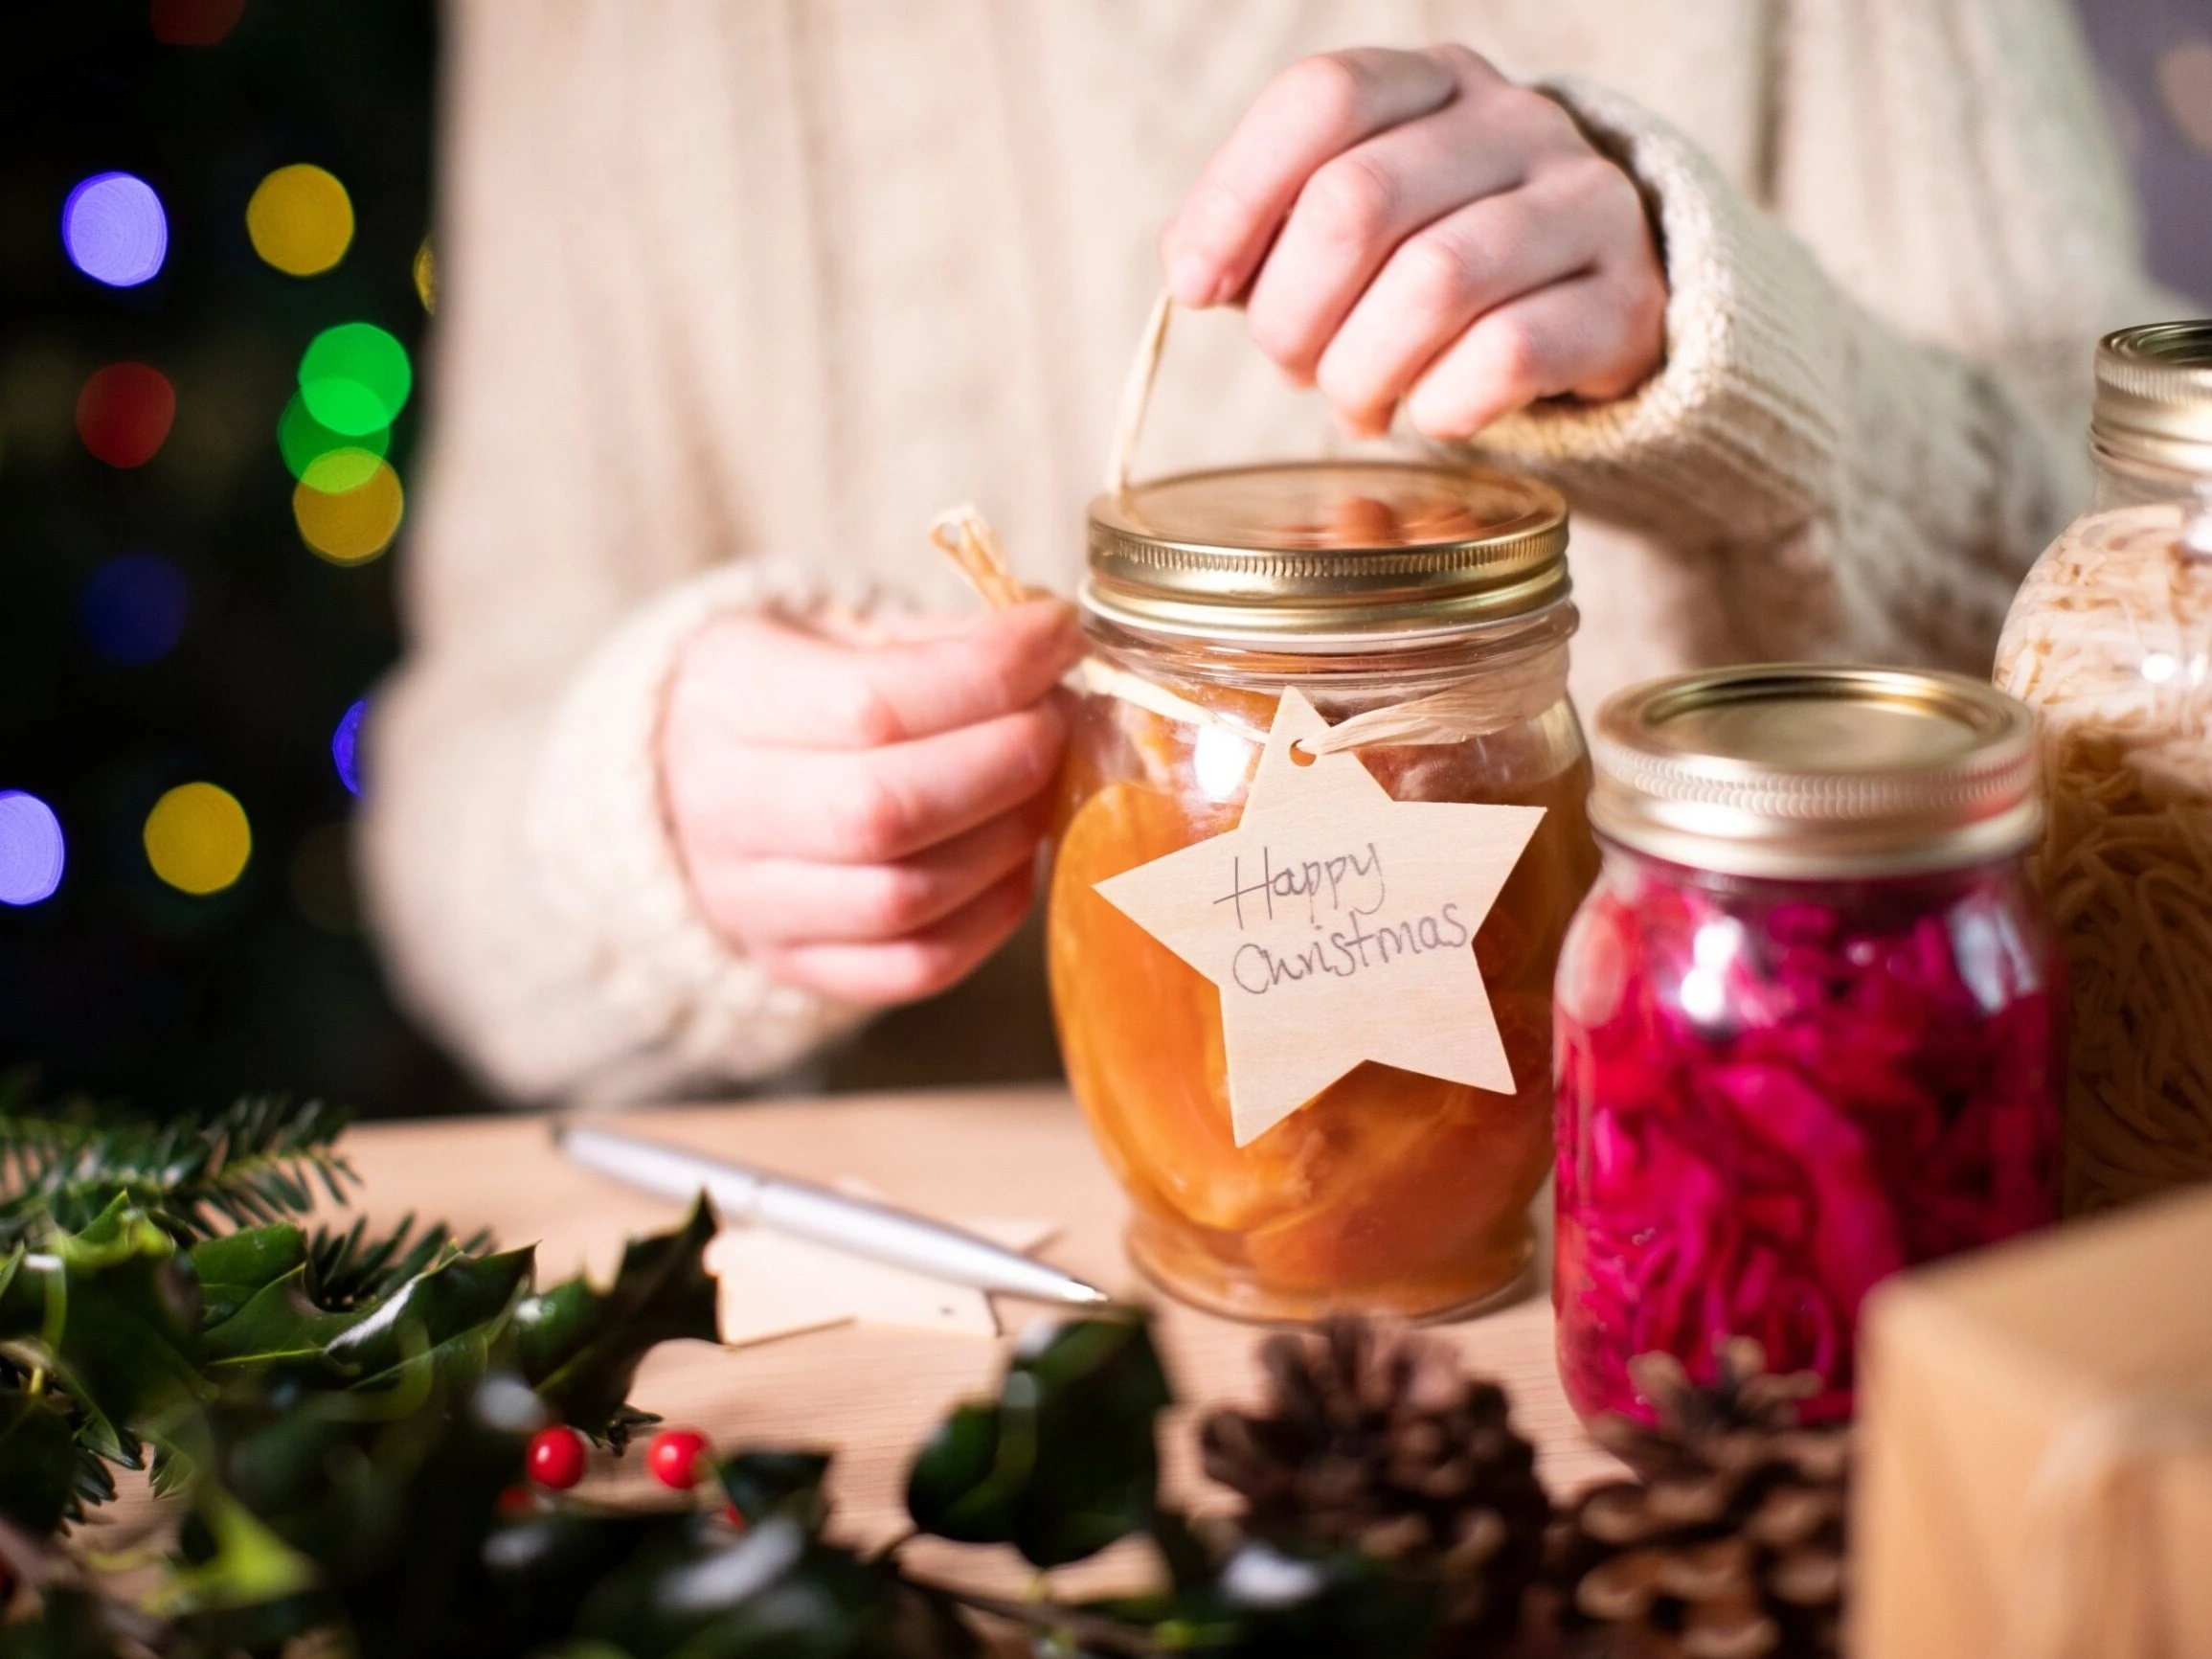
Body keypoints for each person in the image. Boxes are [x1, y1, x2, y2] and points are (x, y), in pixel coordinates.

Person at [363, 1, 2173, 1107]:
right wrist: (639, 818)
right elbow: (454, 794)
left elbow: (2132, 619)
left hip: (1753, 1217)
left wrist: (1736, 367)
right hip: (986, 1305)